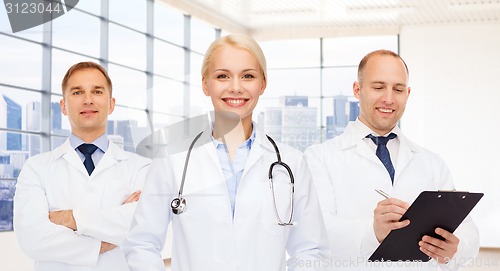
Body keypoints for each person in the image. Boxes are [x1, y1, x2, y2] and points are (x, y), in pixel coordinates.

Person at [123, 34, 330, 271]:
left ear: (262, 83)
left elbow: (310, 250)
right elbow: (141, 244)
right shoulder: (173, 160)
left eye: (248, 76)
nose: (235, 87)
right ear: (205, 84)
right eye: (222, 76)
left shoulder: (291, 162)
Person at [304, 50, 479, 270]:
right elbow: (314, 235)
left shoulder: (431, 162)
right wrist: (373, 231)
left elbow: (468, 229)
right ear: (357, 90)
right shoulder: (319, 158)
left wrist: (455, 249)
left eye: (397, 89)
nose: (388, 98)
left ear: (407, 93)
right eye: (378, 87)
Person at [14, 62, 151, 271]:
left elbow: (144, 224)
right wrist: (112, 235)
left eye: (97, 91)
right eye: (77, 92)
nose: (88, 100)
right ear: (63, 106)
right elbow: (32, 239)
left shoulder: (140, 167)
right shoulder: (36, 168)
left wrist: (69, 218)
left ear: (111, 104)